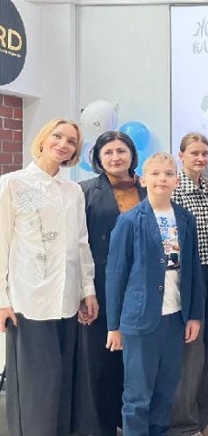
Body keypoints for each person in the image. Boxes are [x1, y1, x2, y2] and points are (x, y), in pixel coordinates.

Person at [0, 118, 98, 436]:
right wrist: (1, 300)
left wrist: (87, 290)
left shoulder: (72, 191)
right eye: (58, 136)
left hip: (66, 300)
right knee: (37, 387)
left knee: (61, 383)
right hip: (29, 300)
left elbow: (81, 244)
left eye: (71, 141)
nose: (63, 145)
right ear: (43, 139)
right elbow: (1, 243)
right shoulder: (14, 184)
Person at [105, 152, 203, 436]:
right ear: (143, 179)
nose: (162, 179)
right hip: (139, 321)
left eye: (169, 174)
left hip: (175, 318)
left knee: (166, 389)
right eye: (156, 173)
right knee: (138, 394)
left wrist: (194, 315)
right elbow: (116, 275)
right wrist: (114, 326)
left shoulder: (185, 219)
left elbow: (193, 270)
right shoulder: (129, 221)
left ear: (177, 180)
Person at [76, 130, 147, 436]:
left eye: (121, 151)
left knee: (137, 362)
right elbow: (78, 245)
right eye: (108, 152)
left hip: (143, 289)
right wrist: (84, 291)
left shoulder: (148, 188)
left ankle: (130, 423)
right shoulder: (85, 191)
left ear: (132, 154)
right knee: (101, 362)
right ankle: (101, 426)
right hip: (101, 289)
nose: (115, 157)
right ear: (98, 158)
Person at [170, 133, 208, 436]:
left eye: (205, 153)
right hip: (187, 276)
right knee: (189, 353)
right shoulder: (174, 190)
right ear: (181, 156)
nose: (201, 158)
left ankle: (205, 417)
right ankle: (184, 423)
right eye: (194, 153)